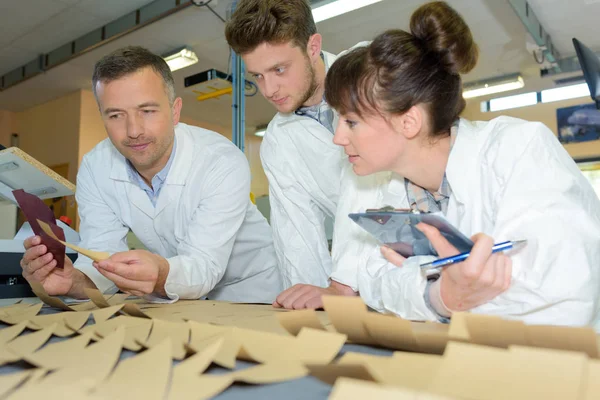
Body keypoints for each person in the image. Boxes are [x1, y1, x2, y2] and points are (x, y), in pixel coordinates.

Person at [325, 1, 600, 327]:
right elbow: (372, 279)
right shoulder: (390, 186)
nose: (337, 137)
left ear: (409, 122)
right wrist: (441, 296)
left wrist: (430, 286)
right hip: (465, 361)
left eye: (351, 121)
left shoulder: (519, 150)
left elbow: (561, 296)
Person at [19, 46, 282, 303]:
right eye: (116, 115)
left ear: (175, 110)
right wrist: (74, 281)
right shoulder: (95, 168)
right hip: (181, 299)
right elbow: (102, 256)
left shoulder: (219, 160)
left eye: (147, 111)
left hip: (253, 293)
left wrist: (159, 275)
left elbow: (204, 264)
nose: (133, 130)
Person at [225, 0, 365, 309]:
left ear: (313, 46)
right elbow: (297, 233)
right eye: (257, 76)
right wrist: (312, 305)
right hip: (368, 279)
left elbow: (393, 189)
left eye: (279, 69)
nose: (269, 89)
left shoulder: (371, 71)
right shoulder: (278, 141)